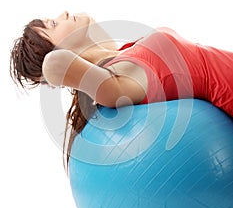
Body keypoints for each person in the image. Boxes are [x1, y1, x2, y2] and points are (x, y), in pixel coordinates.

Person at [10, 11, 233, 170]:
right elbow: (54, 64)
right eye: (53, 25)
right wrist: (45, 70)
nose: (64, 13)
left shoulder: (124, 54)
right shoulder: (116, 80)